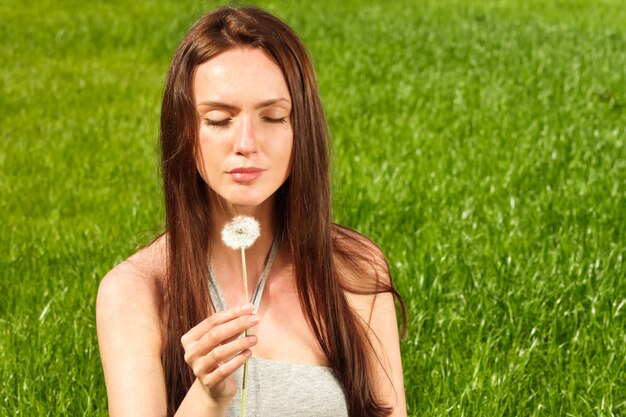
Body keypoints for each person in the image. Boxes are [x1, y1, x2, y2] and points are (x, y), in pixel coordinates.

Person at [96, 6, 406, 417]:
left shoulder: (355, 270)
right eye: (220, 120)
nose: (247, 142)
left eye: (273, 117)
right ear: (185, 132)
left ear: (301, 130)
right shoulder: (134, 293)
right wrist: (207, 398)